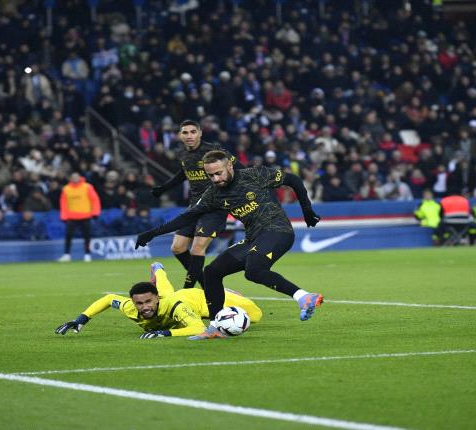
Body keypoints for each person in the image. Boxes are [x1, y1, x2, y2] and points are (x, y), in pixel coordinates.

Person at [135, 150, 323, 340]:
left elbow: (293, 180)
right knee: (212, 272)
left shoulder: (254, 174)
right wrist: (153, 233)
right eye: (211, 175)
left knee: (254, 270)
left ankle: (304, 297)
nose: (216, 179)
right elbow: (187, 217)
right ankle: (215, 327)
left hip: (277, 230)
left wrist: (307, 211)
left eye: (219, 173)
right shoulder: (213, 194)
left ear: (230, 166)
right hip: (252, 238)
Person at [150, 120, 245, 289]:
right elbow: (183, 173)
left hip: (214, 207)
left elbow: (240, 168)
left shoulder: (213, 151)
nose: (189, 136)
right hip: (194, 207)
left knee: (196, 249)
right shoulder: (182, 153)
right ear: (180, 135)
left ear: (200, 133)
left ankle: (187, 290)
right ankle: (207, 285)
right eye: (185, 132)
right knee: (178, 248)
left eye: (193, 132)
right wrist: (164, 188)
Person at [54, 262, 263, 338]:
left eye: (147, 302)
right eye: (139, 303)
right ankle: (158, 269)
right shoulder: (131, 307)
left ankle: (226, 292)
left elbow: (198, 327)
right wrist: (81, 319)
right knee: (165, 287)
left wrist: (165, 333)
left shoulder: (174, 307)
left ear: (156, 300)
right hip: (169, 296)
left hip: (198, 300)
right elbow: (109, 299)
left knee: (255, 316)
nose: (144, 307)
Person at [58, 172, 101, 262]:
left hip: (85, 215)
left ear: (80, 177)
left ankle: (87, 255)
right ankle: (67, 255)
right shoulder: (66, 189)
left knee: (87, 236)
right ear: (70, 178)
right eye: (73, 177)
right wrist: (64, 216)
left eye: (76, 177)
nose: (75, 179)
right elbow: (63, 203)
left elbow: (95, 200)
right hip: (71, 216)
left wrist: (95, 212)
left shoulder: (87, 187)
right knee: (68, 236)